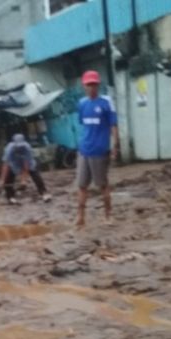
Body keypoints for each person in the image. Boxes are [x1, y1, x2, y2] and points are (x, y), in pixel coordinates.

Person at [75, 70, 119, 228]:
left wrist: (115, 144)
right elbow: (83, 124)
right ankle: (80, 217)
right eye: (89, 85)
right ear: (84, 86)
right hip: (84, 150)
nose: (91, 87)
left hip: (100, 150)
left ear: (98, 85)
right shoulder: (82, 104)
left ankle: (108, 215)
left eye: (94, 84)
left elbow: (113, 125)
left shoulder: (106, 103)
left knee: (102, 185)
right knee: (81, 185)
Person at [0, 134, 52, 205]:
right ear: (14, 143)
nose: (20, 148)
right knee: (8, 178)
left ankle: (44, 193)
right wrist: (2, 180)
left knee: (36, 175)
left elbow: (26, 165)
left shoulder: (27, 148)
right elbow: (6, 165)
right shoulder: (9, 149)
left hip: (28, 164)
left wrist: (23, 179)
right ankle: (10, 197)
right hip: (14, 163)